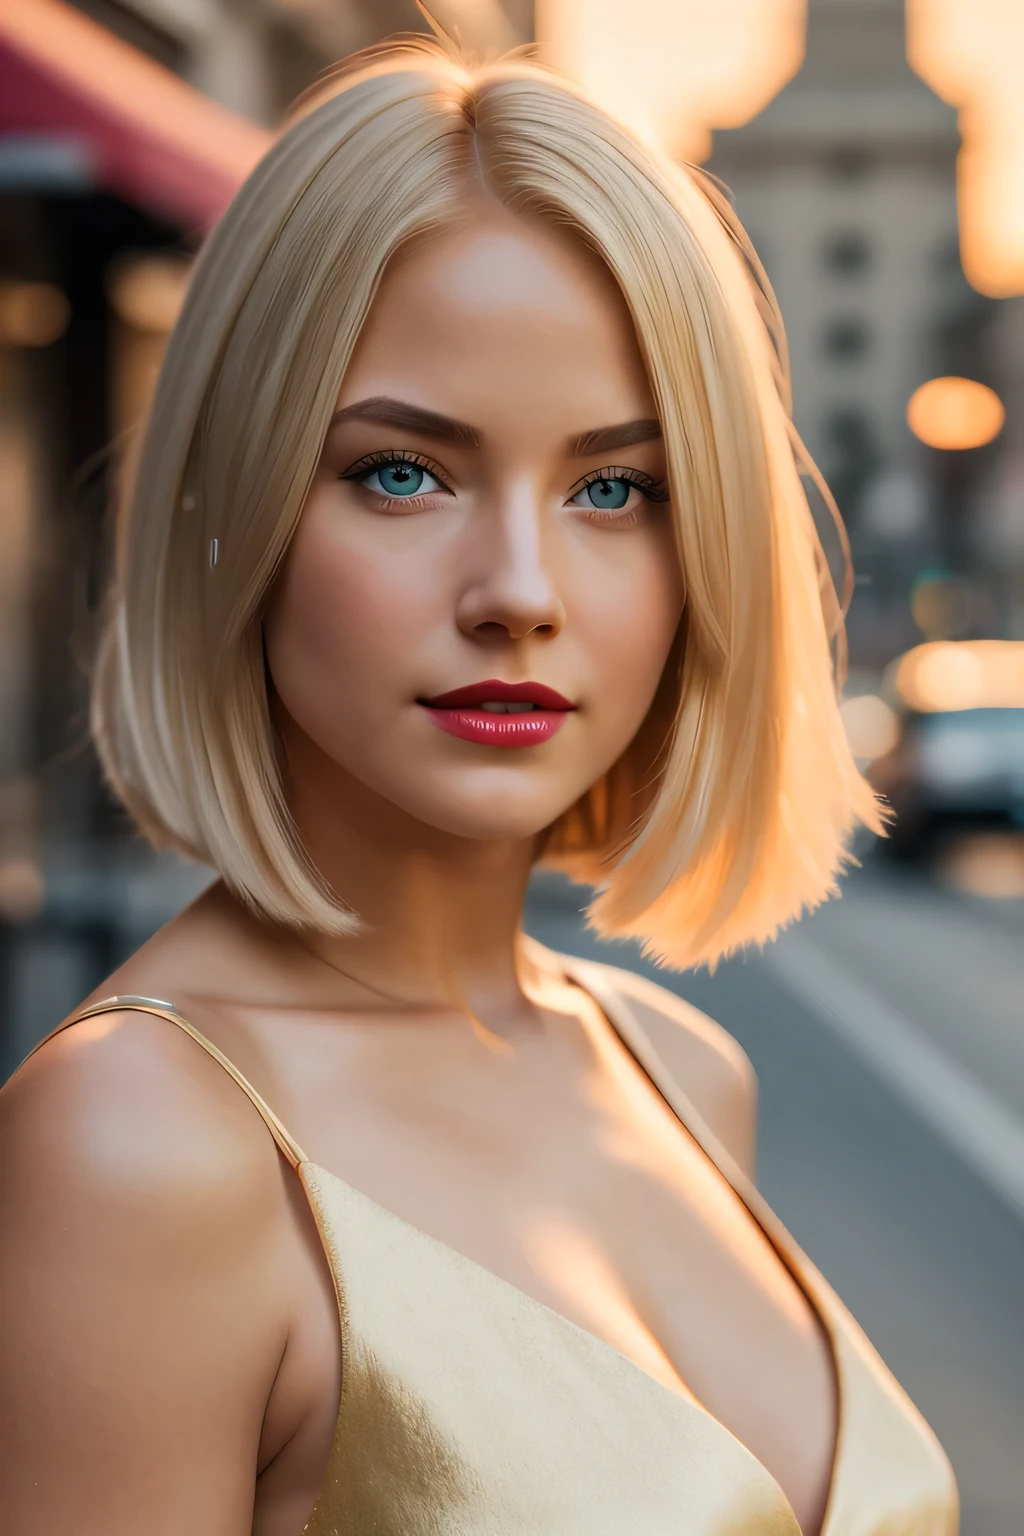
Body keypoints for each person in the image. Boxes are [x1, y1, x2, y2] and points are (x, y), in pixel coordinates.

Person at [0, 39, 957, 1536]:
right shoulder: (136, 1145)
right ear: (228, 505)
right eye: (402, 473)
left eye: (613, 489)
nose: (518, 590)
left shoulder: (681, 1069)